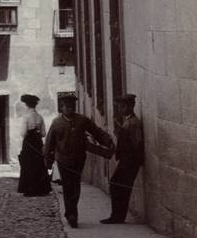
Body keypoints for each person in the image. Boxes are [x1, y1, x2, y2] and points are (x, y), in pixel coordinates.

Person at [44, 94, 113, 228]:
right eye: (66, 107)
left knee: (75, 185)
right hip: (63, 160)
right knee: (68, 186)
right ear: (62, 108)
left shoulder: (82, 120)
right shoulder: (56, 123)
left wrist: (107, 140)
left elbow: (96, 131)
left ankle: (72, 213)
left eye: (71, 107)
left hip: (78, 159)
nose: (69, 109)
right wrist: (48, 161)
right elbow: (49, 143)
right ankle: (71, 214)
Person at [101, 93, 144, 224]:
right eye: (120, 107)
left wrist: (120, 135)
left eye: (123, 107)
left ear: (131, 106)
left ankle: (117, 216)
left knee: (117, 185)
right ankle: (118, 215)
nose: (121, 110)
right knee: (119, 186)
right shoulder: (128, 121)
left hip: (130, 161)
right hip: (127, 160)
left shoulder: (133, 122)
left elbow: (136, 143)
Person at [17, 94, 51, 196]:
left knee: (28, 164)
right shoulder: (40, 117)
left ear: (27, 106)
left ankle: (29, 189)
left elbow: (23, 133)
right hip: (38, 143)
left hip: (29, 143)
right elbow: (44, 133)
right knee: (39, 164)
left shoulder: (26, 117)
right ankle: (41, 189)